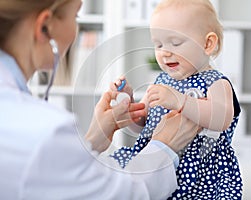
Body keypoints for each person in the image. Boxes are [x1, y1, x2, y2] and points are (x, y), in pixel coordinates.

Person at [0, 0, 200, 199]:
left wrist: (93, 139)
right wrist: (164, 145)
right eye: (75, 16)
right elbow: (123, 195)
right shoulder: (45, 134)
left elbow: (52, 175)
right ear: (45, 27)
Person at [111, 0, 243, 199]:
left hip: (202, 172)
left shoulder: (215, 82)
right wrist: (129, 107)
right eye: (159, 44)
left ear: (208, 44)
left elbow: (221, 119)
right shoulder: (161, 81)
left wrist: (180, 101)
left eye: (175, 42)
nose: (165, 52)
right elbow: (143, 127)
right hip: (159, 164)